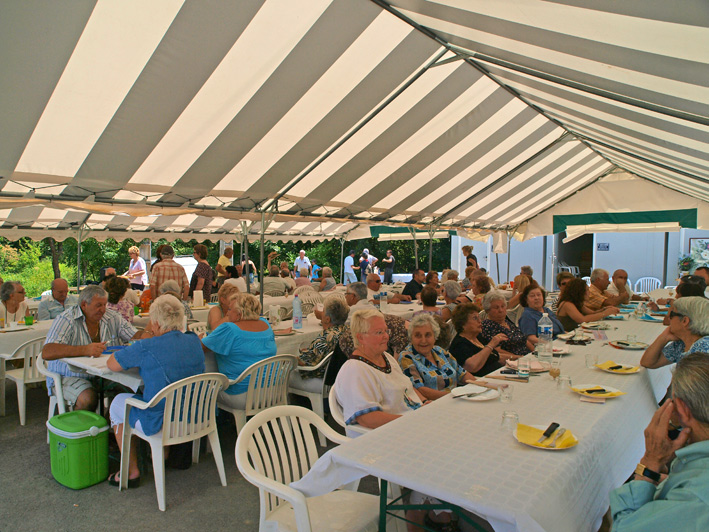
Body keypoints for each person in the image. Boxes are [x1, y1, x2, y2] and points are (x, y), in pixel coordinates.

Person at [105, 294, 205, 488]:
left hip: (162, 421)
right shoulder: (193, 340)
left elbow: (112, 364)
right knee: (164, 395)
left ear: (156, 322)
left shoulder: (147, 346)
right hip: (195, 416)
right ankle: (163, 453)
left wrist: (148, 334)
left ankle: (131, 471)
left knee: (118, 402)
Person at [609, 353, 709, 530]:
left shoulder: (696, 496)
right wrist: (669, 481)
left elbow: (623, 528)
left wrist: (649, 463)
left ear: (683, 410)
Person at [42, 286, 146, 411]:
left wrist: (149, 333)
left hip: (103, 374)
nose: (102, 310)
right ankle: (82, 429)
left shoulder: (112, 317)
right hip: (68, 375)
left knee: (130, 391)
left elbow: (133, 335)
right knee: (88, 399)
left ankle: (111, 425)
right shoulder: (66, 319)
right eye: (98, 305)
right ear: (84, 304)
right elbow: (47, 351)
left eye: (104, 305)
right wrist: (84, 350)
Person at [334, 308, 425, 431]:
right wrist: (410, 421)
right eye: (379, 332)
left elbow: (406, 387)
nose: (386, 336)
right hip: (386, 434)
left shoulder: (386, 356)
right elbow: (368, 418)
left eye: (385, 331)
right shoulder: (355, 370)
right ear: (360, 338)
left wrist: (424, 403)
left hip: (411, 423)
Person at [201, 293, 277, 411]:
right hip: (272, 389)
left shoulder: (229, 329)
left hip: (241, 393)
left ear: (239, 314)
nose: (227, 313)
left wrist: (199, 338)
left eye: (230, 309)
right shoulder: (266, 324)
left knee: (206, 390)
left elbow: (201, 348)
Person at [398, 313, 478, 400]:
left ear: (435, 336)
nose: (423, 340)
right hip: (434, 404)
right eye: (418, 335)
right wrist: (454, 396)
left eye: (428, 335)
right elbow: (419, 390)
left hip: (456, 399)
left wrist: (479, 386)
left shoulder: (439, 351)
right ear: (411, 337)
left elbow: (462, 374)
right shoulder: (406, 357)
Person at [640, 297, 709, 369]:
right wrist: (664, 338)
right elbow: (647, 363)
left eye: (672, 314)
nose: (669, 318)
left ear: (685, 321)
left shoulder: (703, 349)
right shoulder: (683, 344)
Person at [293, 296, 349, 381]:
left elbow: (302, 362)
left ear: (327, 319)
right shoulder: (347, 331)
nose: (321, 313)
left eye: (323, 311)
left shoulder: (326, 338)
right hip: (339, 375)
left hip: (320, 377)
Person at [449, 303, 509, 376]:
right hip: (480, 382)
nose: (480, 321)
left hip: (498, 375)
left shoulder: (478, 337)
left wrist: (519, 358)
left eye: (479, 317)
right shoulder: (459, 344)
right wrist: (491, 345)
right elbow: (472, 367)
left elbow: (496, 357)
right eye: (475, 318)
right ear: (463, 324)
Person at [479, 291, 530, 358]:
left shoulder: (508, 322)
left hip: (526, 357)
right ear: (487, 310)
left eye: (503, 306)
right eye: (496, 308)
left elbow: (524, 340)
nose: (501, 310)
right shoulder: (487, 326)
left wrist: (535, 353)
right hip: (512, 361)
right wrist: (519, 358)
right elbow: (497, 351)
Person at [517, 285, 564, 351]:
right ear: (526, 299)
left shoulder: (547, 310)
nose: (536, 298)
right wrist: (550, 344)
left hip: (561, 343)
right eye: (532, 296)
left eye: (539, 295)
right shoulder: (527, 316)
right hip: (545, 348)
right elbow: (531, 338)